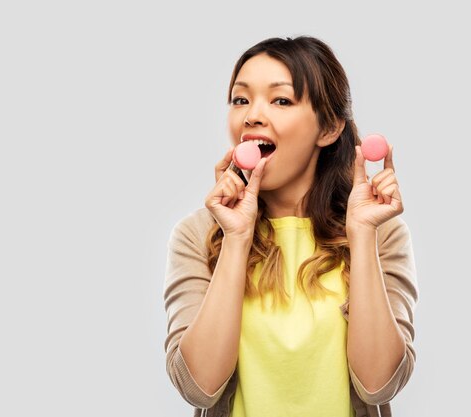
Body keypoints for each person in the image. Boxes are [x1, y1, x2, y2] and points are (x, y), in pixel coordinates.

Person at [163, 35, 419, 417]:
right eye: (240, 99)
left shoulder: (381, 234)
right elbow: (199, 388)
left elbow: (378, 384)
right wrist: (236, 238)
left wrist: (362, 236)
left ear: (329, 128)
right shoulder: (198, 234)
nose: (252, 115)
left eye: (281, 100)